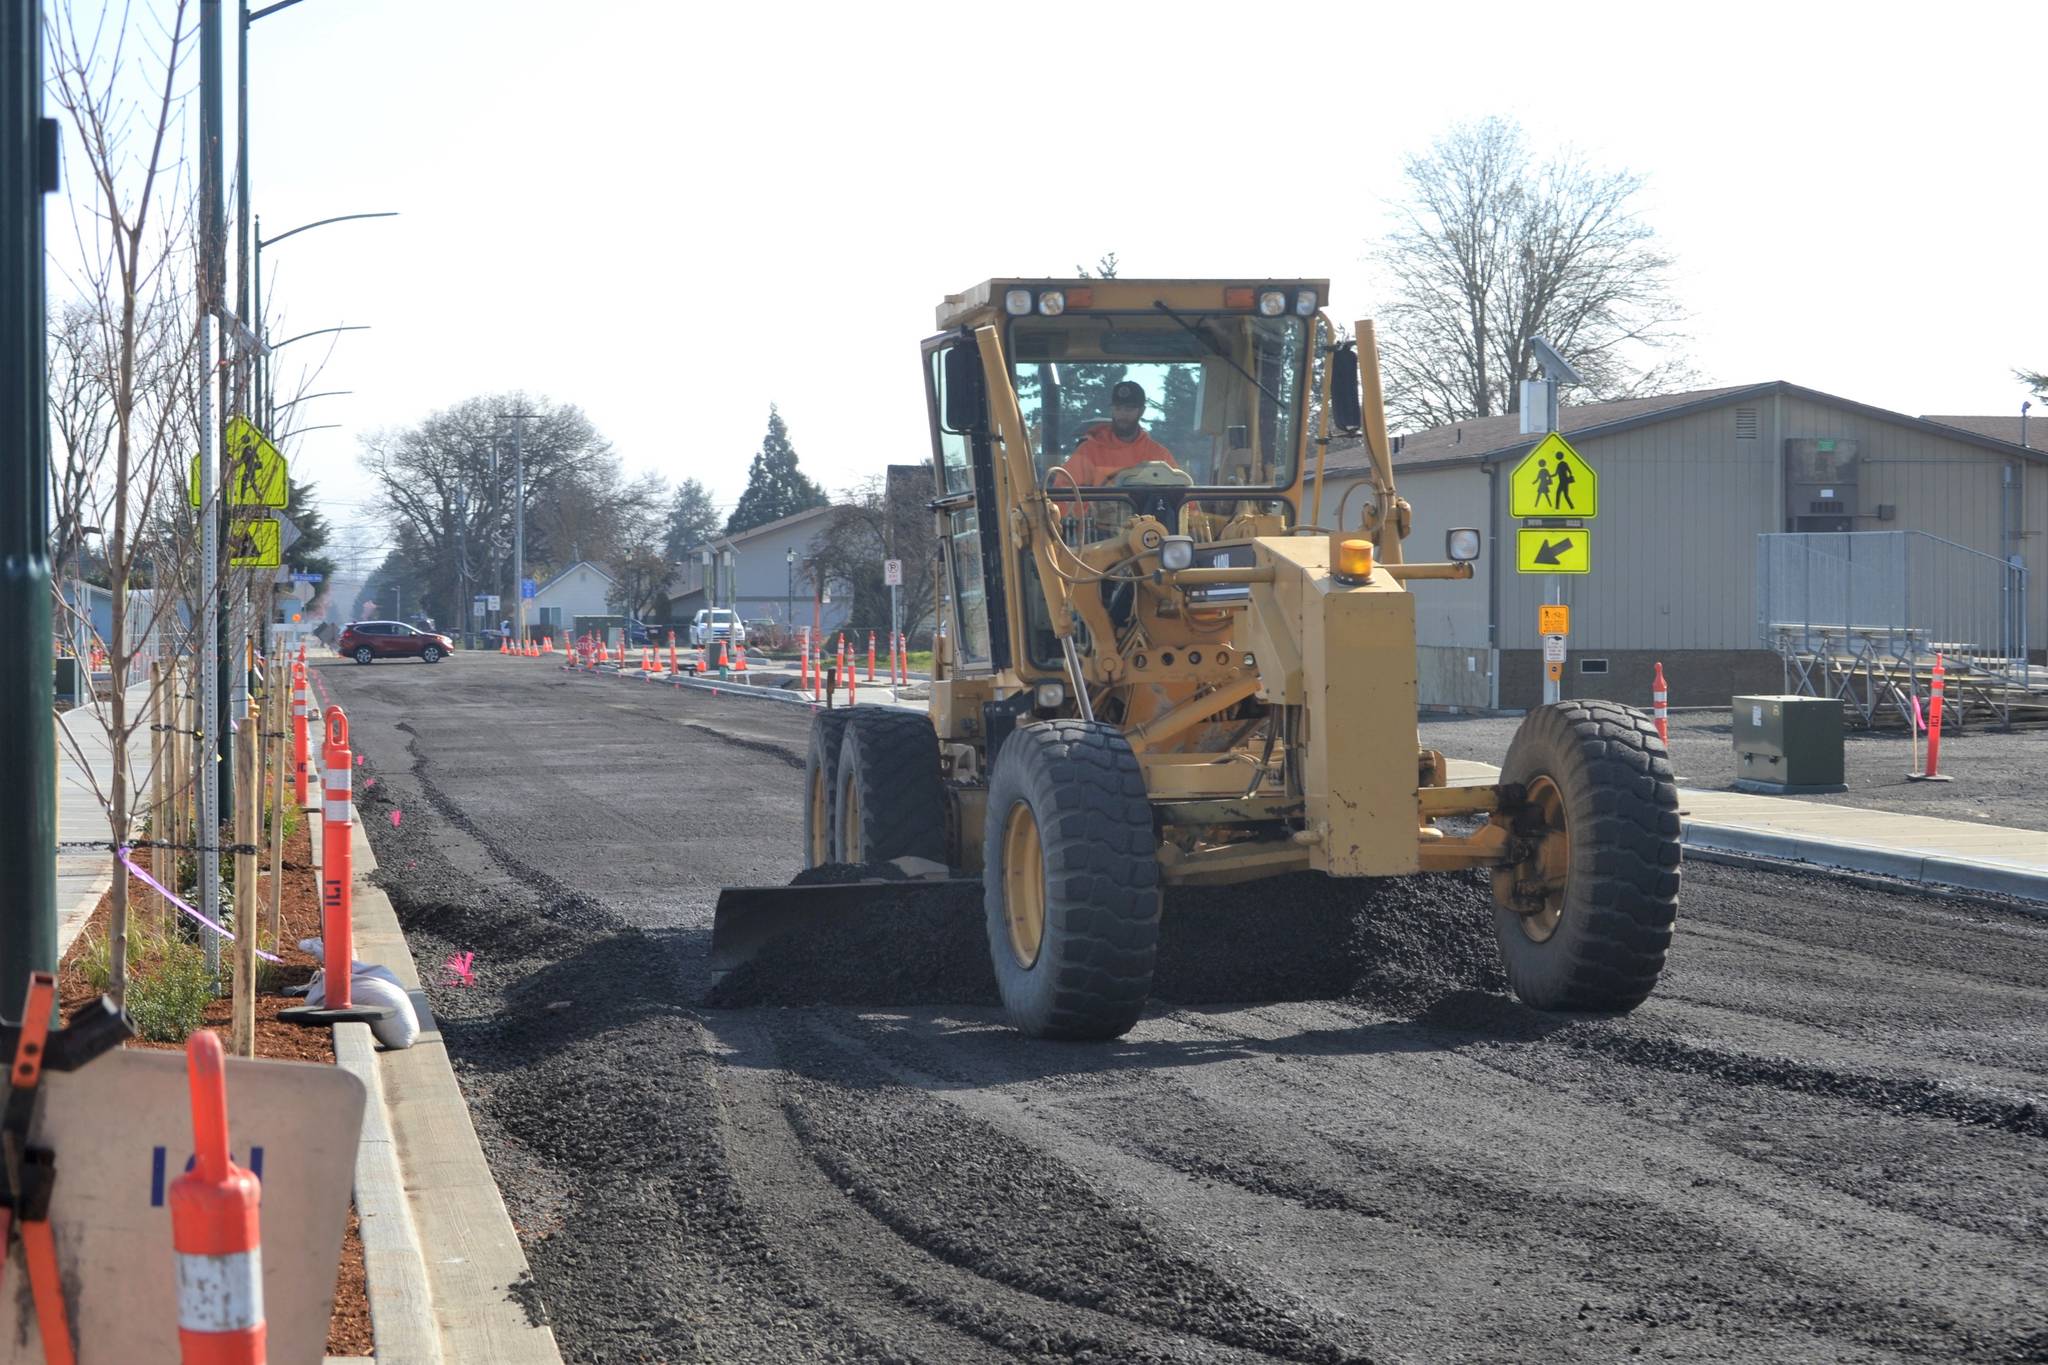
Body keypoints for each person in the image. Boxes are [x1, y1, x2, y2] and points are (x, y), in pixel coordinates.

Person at [1060, 380, 1179, 487]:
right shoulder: (1088, 452)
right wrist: (1095, 507)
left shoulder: (1158, 456)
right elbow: (1063, 494)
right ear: (1111, 410)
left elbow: (1184, 501)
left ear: (1141, 411)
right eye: (1117, 408)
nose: (1122, 415)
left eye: (1129, 409)